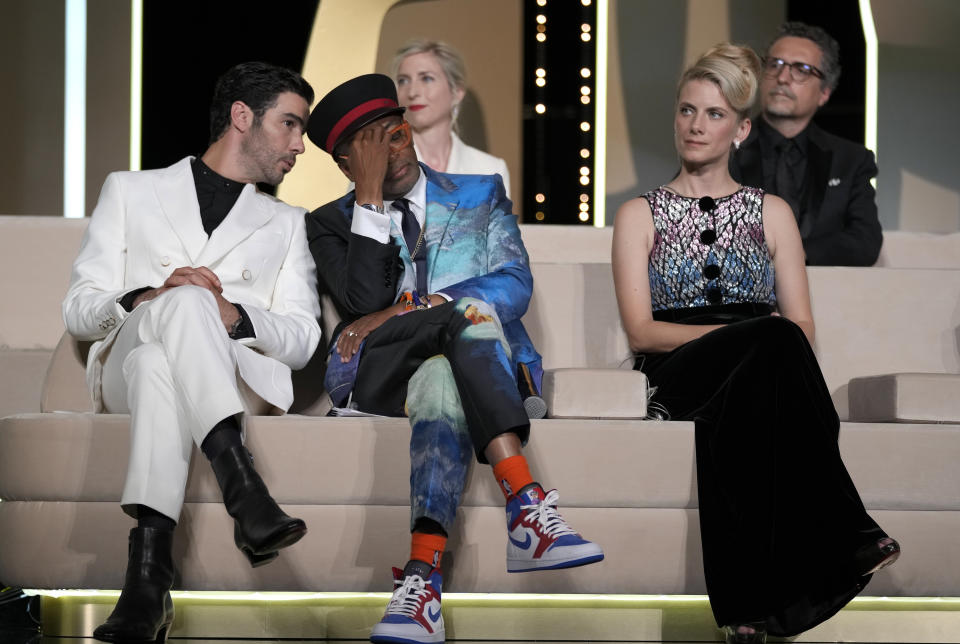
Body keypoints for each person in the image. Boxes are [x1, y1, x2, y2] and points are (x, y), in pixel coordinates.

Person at [612, 44, 899, 644]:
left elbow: (804, 329)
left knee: (756, 387)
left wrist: (755, 339)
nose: (695, 125)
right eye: (687, 111)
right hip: (676, 366)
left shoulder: (773, 213)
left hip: (764, 365)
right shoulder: (640, 214)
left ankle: (745, 614)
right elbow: (641, 331)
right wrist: (737, 334)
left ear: (742, 128)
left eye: (713, 114)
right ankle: (848, 536)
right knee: (770, 341)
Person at [305, 73, 602, 644]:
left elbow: (514, 283)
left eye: (394, 136)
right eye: (367, 152)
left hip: (464, 368)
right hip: (380, 373)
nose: (389, 154)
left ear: (409, 130)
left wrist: (414, 307)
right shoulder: (328, 223)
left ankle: (421, 580)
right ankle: (528, 508)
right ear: (346, 166)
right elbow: (363, 303)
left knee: (444, 368)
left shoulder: (479, 192)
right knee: (467, 314)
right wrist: (368, 200)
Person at [62, 62, 321, 643]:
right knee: (177, 306)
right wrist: (152, 295)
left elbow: (304, 340)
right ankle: (243, 487)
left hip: (236, 376)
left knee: (179, 330)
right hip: (126, 362)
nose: (300, 146)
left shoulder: (287, 223)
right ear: (241, 117)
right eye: (290, 125)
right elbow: (79, 309)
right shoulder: (130, 190)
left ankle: (147, 583)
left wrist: (231, 314)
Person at [729, 22, 882, 266]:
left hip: (829, 295)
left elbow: (865, 242)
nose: (782, 78)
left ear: (824, 93)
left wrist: (794, 252)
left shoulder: (850, 159)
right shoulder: (725, 146)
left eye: (801, 69)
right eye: (774, 64)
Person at [392, 39, 511, 197]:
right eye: (403, 81)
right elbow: (358, 219)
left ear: (457, 91)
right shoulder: (380, 164)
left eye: (427, 78)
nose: (412, 92)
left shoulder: (490, 170)